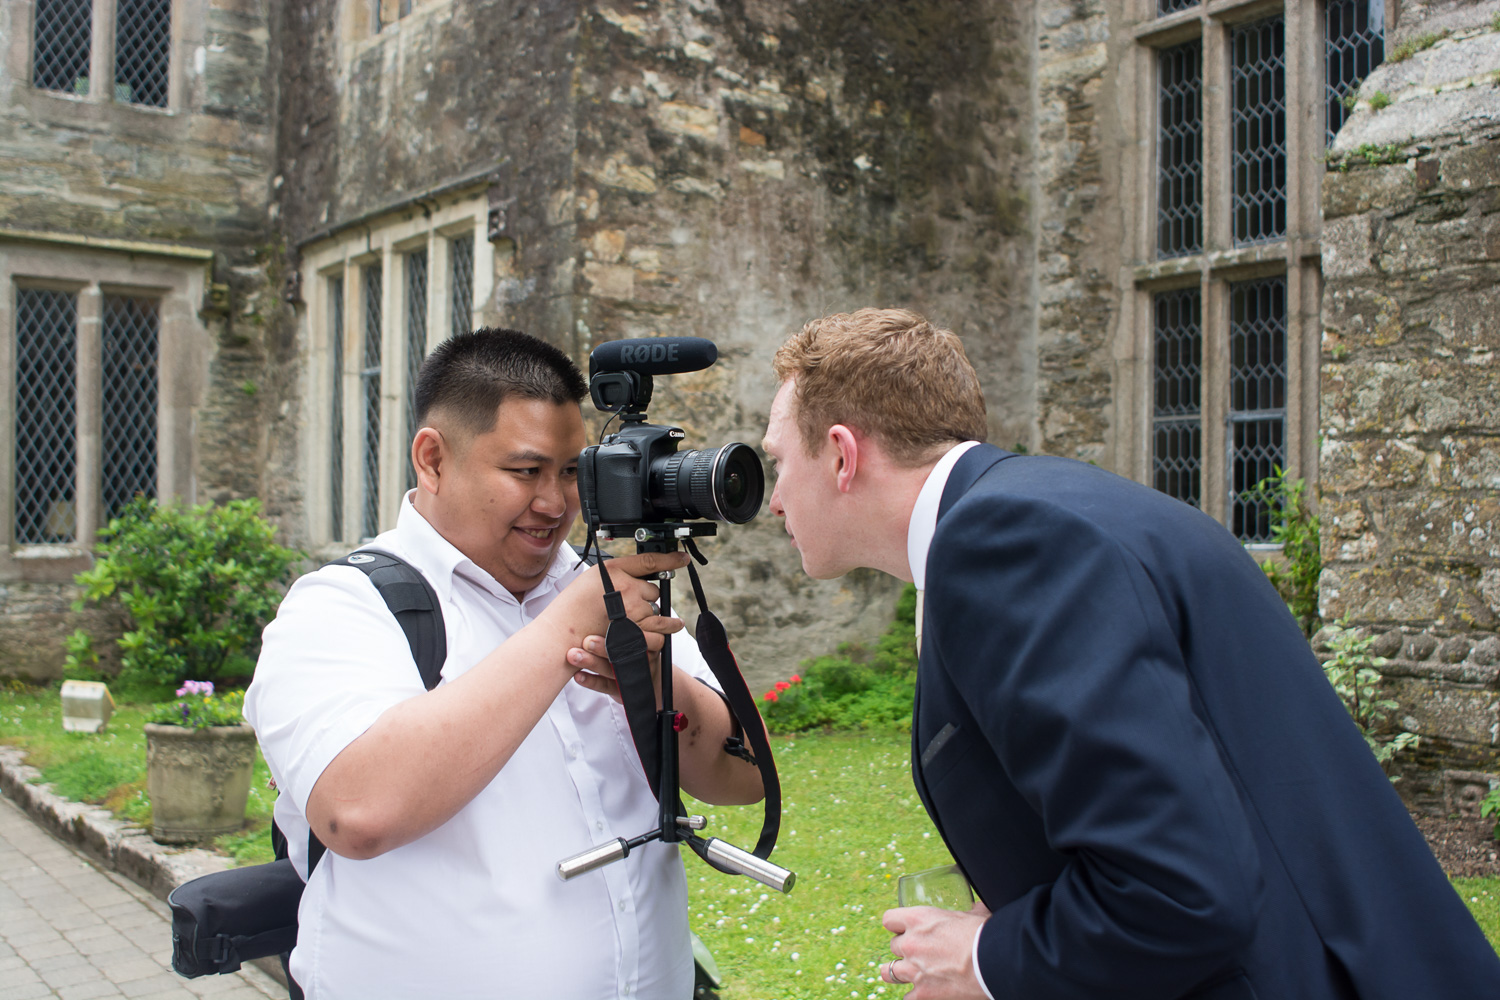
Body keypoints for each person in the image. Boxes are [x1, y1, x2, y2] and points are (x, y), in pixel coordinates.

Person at [760, 307, 1500, 1000]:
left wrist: (984, 960)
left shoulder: (1006, 546)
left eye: (778, 463)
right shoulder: (1053, 506)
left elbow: (1180, 889)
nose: (774, 501)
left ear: (841, 455)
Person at [245, 328, 762, 999]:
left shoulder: (602, 590)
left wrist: (663, 690)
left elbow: (744, 777)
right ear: (432, 459)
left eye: (572, 472)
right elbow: (357, 811)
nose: (554, 504)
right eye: (525, 472)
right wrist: (560, 637)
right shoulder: (343, 607)